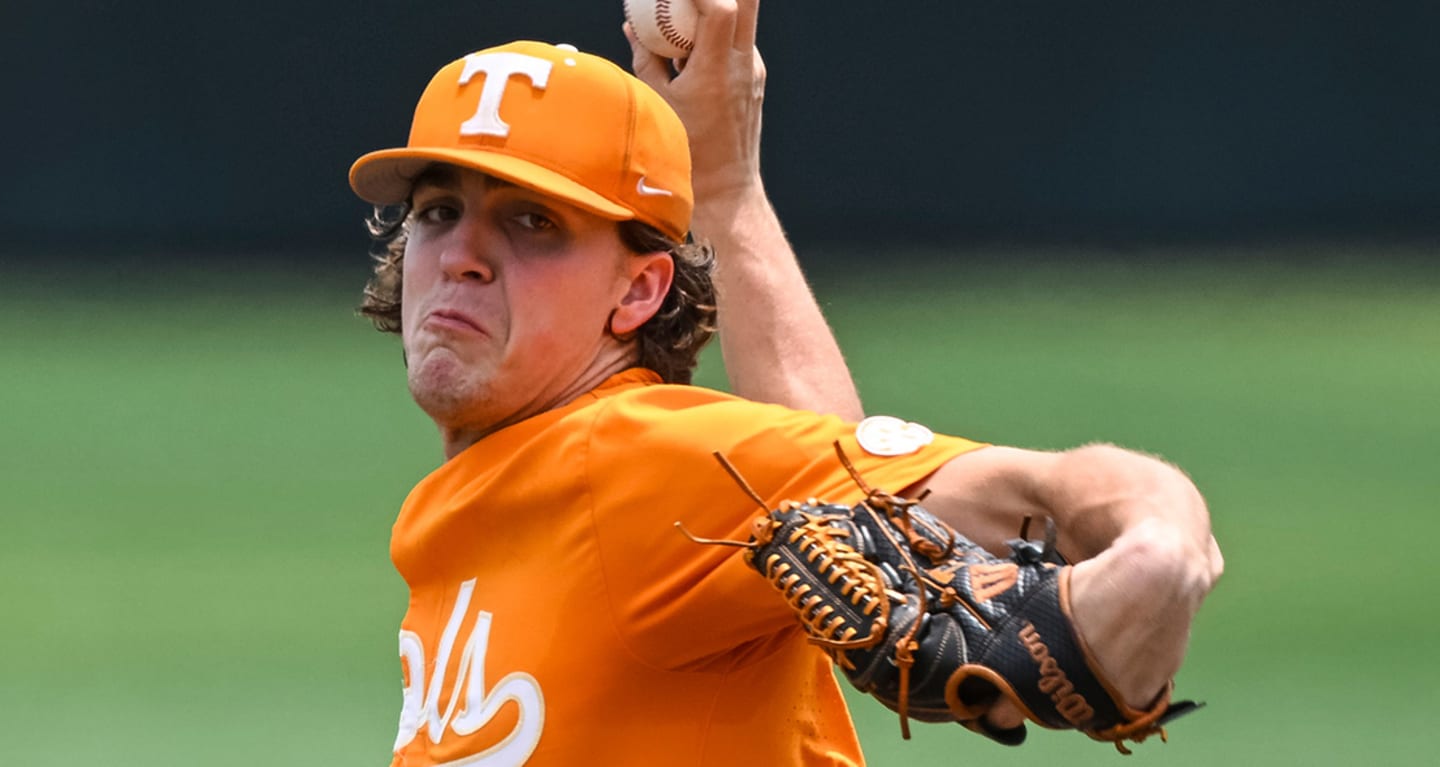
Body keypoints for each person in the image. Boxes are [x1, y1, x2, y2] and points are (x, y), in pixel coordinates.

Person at [345, 3, 1222, 765]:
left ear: (639, 290)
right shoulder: (492, 497)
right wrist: (724, 185)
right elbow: (846, 492)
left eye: (532, 222)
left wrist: (1158, 560)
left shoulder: (626, 464)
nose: (461, 257)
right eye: (438, 212)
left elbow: (1065, 494)